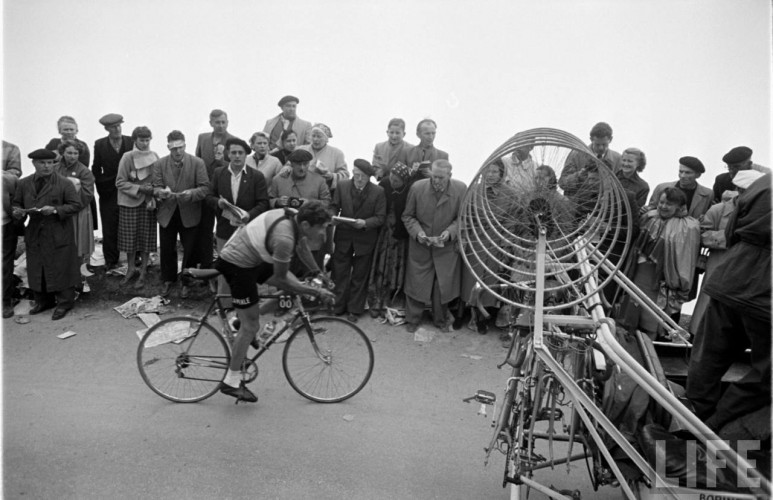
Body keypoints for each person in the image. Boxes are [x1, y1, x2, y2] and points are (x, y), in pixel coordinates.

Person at [213, 200, 336, 402]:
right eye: (322, 228)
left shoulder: (297, 218)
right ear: (306, 225)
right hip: (237, 264)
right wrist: (315, 291)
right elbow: (280, 278)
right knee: (251, 326)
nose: (324, 233)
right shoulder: (284, 238)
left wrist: (318, 274)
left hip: (253, 256)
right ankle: (231, 381)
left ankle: (239, 321)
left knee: (293, 288)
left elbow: (303, 248)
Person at [686, 173, 771, 433]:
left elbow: (732, 229)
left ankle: (692, 423)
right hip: (766, 297)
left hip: (731, 278)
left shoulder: (765, 183)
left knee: (707, 358)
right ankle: (719, 429)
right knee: (767, 376)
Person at [618, 187, 700, 340]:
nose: (663, 206)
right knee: (633, 307)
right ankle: (629, 342)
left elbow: (684, 259)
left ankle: (649, 346)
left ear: (679, 207)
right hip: (639, 272)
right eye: (661, 202)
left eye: (669, 204)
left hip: (662, 279)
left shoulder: (689, 227)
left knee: (652, 316)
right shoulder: (649, 216)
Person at [689, 170, 762, 334]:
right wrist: (728, 237)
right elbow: (700, 235)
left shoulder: (761, 214)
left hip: (745, 269)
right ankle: (697, 335)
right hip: (718, 265)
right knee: (708, 303)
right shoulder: (718, 210)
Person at [12, 149, 81, 320]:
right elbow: (16, 203)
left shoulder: (64, 183)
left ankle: (65, 303)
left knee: (62, 266)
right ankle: (43, 301)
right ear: (34, 164)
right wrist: (17, 212)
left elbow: (75, 205)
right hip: (35, 231)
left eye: (50, 163)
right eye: (42, 163)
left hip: (58, 230)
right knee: (37, 267)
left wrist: (56, 210)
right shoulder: (23, 183)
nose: (47, 166)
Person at [402, 159, 466, 332]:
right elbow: (408, 216)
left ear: (450, 176)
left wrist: (450, 232)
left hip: (445, 247)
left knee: (442, 284)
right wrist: (418, 233)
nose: (436, 181)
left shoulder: (461, 189)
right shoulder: (417, 188)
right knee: (417, 281)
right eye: (434, 176)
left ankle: (440, 319)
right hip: (420, 245)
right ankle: (412, 319)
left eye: (441, 178)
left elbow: (462, 218)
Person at [206, 137, 269, 301]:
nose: (237, 156)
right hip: (225, 229)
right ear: (228, 154)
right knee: (224, 268)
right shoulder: (219, 174)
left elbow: (263, 203)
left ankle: (246, 303)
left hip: (248, 231)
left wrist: (249, 215)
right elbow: (208, 196)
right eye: (233, 152)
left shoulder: (256, 176)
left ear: (246, 155)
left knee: (247, 267)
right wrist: (218, 203)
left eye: (240, 153)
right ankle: (226, 305)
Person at [152, 130, 209, 298]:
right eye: (173, 148)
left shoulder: (197, 163)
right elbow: (155, 187)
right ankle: (168, 280)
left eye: (180, 147)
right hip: (167, 213)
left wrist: (191, 194)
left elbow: (205, 188)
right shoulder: (159, 164)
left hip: (189, 211)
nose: (177, 151)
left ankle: (187, 282)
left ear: (185, 145)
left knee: (189, 249)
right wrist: (161, 192)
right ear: (168, 147)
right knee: (167, 247)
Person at [330, 159, 386, 322]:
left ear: (369, 177)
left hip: (365, 239)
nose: (358, 179)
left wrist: (366, 223)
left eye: (362, 176)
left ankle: (354, 310)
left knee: (359, 276)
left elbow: (380, 217)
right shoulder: (342, 186)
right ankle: (338, 306)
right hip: (344, 236)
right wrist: (332, 217)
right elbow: (334, 206)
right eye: (356, 175)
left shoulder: (378, 192)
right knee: (340, 273)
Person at [367, 162, 414, 319]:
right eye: (392, 178)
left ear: (404, 181)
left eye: (397, 180)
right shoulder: (384, 183)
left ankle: (392, 302)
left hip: (400, 234)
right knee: (381, 265)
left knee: (396, 267)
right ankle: (376, 301)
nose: (393, 182)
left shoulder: (410, 189)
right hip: (384, 232)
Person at [115, 126, 159, 289]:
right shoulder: (127, 157)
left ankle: (143, 271)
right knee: (129, 239)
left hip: (147, 204)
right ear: (135, 140)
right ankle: (131, 268)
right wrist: (139, 188)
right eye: (142, 140)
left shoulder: (154, 157)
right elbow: (119, 182)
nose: (145, 143)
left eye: (147, 140)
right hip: (129, 203)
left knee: (146, 238)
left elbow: (158, 180)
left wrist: (152, 190)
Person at [193, 109, 236, 275]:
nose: (221, 125)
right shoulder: (203, 138)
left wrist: (222, 161)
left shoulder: (233, 140)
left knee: (224, 227)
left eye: (223, 122)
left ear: (228, 122)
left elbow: (236, 164)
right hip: (205, 189)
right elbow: (197, 160)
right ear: (211, 123)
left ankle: (226, 265)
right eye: (217, 122)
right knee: (205, 228)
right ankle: (206, 267)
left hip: (224, 191)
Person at [92, 113, 133, 270]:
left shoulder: (131, 141)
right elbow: (96, 168)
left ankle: (134, 257)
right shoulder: (100, 144)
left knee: (131, 223)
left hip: (129, 190)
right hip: (108, 191)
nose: (117, 129)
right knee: (109, 226)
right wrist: (102, 187)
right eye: (113, 127)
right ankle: (111, 260)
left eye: (119, 126)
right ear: (107, 128)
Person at [55, 140, 95, 272]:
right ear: (62, 153)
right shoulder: (55, 169)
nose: (72, 156)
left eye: (75, 153)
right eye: (69, 153)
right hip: (58, 212)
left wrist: (71, 207)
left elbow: (87, 194)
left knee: (79, 245)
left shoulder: (84, 171)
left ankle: (81, 276)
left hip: (78, 213)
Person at [559, 122, 621, 197]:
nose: (601, 148)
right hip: (577, 205)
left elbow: (620, 187)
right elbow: (562, 183)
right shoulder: (576, 155)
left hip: (605, 205)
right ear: (591, 139)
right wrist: (578, 176)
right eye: (597, 144)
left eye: (604, 144)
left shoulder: (618, 159)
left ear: (610, 139)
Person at [645, 156, 713, 219]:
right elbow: (651, 210)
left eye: (688, 173)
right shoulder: (661, 188)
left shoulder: (707, 194)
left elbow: (707, 218)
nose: (683, 175)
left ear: (698, 175)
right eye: (681, 171)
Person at [297, 123, 349, 193]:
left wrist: (331, 176)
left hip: (326, 194)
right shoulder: (301, 150)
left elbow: (345, 175)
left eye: (319, 136)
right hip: (301, 192)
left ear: (326, 139)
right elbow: (290, 165)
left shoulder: (337, 153)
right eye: (313, 136)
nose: (315, 139)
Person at [3, 169, 20, 317]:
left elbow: (17, 204)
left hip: (6, 226)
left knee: (5, 265)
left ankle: (5, 301)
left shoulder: (9, 179)